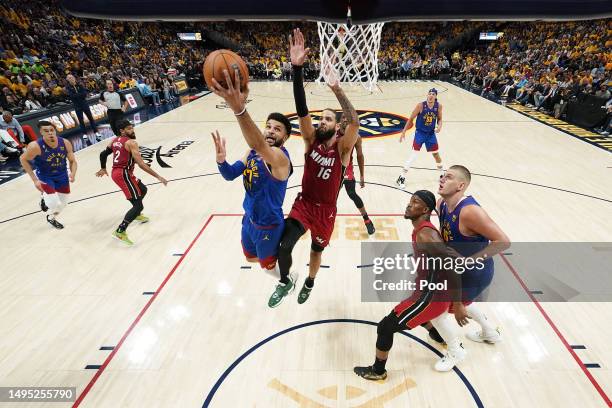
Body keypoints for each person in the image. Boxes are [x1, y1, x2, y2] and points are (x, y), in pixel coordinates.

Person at [267, 28, 360, 307]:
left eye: (328, 119)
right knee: (284, 245)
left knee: (316, 252)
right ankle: (286, 281)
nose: (321, 122)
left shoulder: (343, 149)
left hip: (326, 211)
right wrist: (297, 69)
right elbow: (302, 108)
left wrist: (336, 88)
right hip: (305, 204)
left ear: (337, 125)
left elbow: (354, 120)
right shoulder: (311, 141)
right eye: (321, 118)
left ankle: (309, 281)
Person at [354, 190, 469, 380]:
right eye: (410, 201)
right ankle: (437, 336)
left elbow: (451, 268)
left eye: (415, 202)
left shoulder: (426, 235)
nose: (409, 204)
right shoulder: (421, 230)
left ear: (425, 209)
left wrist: (457, 305)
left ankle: (378, 371)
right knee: (418, 313)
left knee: (385, 327)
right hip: (428, 290)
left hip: (431, 296)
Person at [209, 72, 293, 276]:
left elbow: (258, 143)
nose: (271, 131)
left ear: (286, 137)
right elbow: (230, 175)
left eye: (278, 129)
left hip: (268, 225)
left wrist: (239, 109)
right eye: (268, 127)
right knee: (249, 257)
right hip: (249, 219)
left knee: (268, 266)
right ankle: (278, 264)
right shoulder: (252, 152)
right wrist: (221, 161)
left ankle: (287, 279)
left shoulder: (281, 158)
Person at [437, 165, 510, 344]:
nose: (442, 179)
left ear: (460, 186)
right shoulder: (441, 204)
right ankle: (490, 333)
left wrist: (468, 261)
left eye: (448, 177)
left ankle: (456, 351)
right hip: (458, 272)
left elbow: (503, 241)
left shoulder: (470, 211)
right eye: (442, 176)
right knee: (454, 304)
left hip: (475, 274)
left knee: (436, 311)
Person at [96, 119, 167, 245]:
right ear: (122, 131)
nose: (132, 130)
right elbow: (141, 164)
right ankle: (120, 230)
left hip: (121, 173)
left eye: (132, 127)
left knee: (143, 189)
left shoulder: (114, 140)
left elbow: (103, 154)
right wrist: (158, 176)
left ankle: (136, 214)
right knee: (138, 205)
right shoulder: (131, 143)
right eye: (128, 129)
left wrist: (103, 167)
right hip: (123, 174)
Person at [19, 121, 77, 229]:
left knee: (63, 204)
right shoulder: (35, 146)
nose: (50, 133)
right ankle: (45, 197)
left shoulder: (65, 143)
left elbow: (73, 161)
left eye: (52, 130)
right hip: (45, 176)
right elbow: (23, 159)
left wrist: (73, 174)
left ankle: (51, 217)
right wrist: (35, 180)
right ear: (41, 132)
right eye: (46, 131)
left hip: (62, 175)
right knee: (54, 202)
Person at [396, 89, 444, 189]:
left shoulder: (438, 106)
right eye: (429, 94)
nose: (431, 95)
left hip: (431, 134)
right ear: (427, 95)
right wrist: (403, 132)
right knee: (414, 155)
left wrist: (439, 126)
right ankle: (401, 177)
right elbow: (410, 119)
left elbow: (439, 119)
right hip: (420, 133)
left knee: (436, 154)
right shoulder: (420, 105)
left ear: (436, 96)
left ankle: (442, 175)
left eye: (433, 94)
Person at [338, 118, 375, 235]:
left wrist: (362, 175)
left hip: (347, 168)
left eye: (346, 118)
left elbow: (360, 156)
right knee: (330, 196)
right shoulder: (333, 132)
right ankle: (322, 218)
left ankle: (366, 219)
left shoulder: (356, 137)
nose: (345, 120)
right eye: (342, 118)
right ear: (339, 121)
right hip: (333, 168)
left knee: (352, 194)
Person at [65, 74, 101, 142]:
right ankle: (84, 134)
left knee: (91, 118)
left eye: (72, 77)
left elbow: (84, 94)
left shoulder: (80, 85)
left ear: (74, 78)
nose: (71, 78)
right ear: (67, 80)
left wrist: (77, 95)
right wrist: (79, 95)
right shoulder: (68, 88)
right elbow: (71, 96)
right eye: (69, 78)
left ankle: (96, 132)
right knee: (81, 121)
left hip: (84, 104)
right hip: (77, 106)